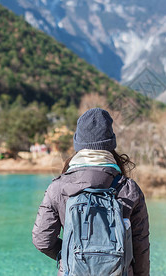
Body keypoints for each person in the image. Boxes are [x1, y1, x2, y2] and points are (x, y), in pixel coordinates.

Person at [32, 108, 150, 276]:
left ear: (78, 144)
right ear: (110, 144)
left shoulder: (58, 187)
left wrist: (71, 255)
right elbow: (141, 248)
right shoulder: (129, 189)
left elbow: (42, 240)